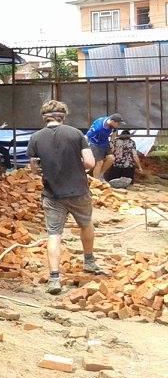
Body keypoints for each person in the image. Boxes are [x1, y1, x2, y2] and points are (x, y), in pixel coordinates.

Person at [27, 100, 103, 294]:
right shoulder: (76, 134)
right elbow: (89, 162)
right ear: (64, 116)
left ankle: (54, 278)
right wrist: (77, 166)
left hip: (52, 194)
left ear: (44, 117)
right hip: (78, 191)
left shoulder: (35, 138)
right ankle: (89, 261)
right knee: (85, 224)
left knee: (54, 234)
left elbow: (34, 168)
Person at [86, 113, 123, 179]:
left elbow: (114, 132)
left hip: (104, 142)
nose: (119, 125)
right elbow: (88, 136)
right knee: (99, 162)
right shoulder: (98, 128)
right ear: (113, 121)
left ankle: (101, 175)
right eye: (118, 123)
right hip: (94, 143)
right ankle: (96, 181)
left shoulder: (111, 124)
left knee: (111, 158)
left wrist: (111, 141)